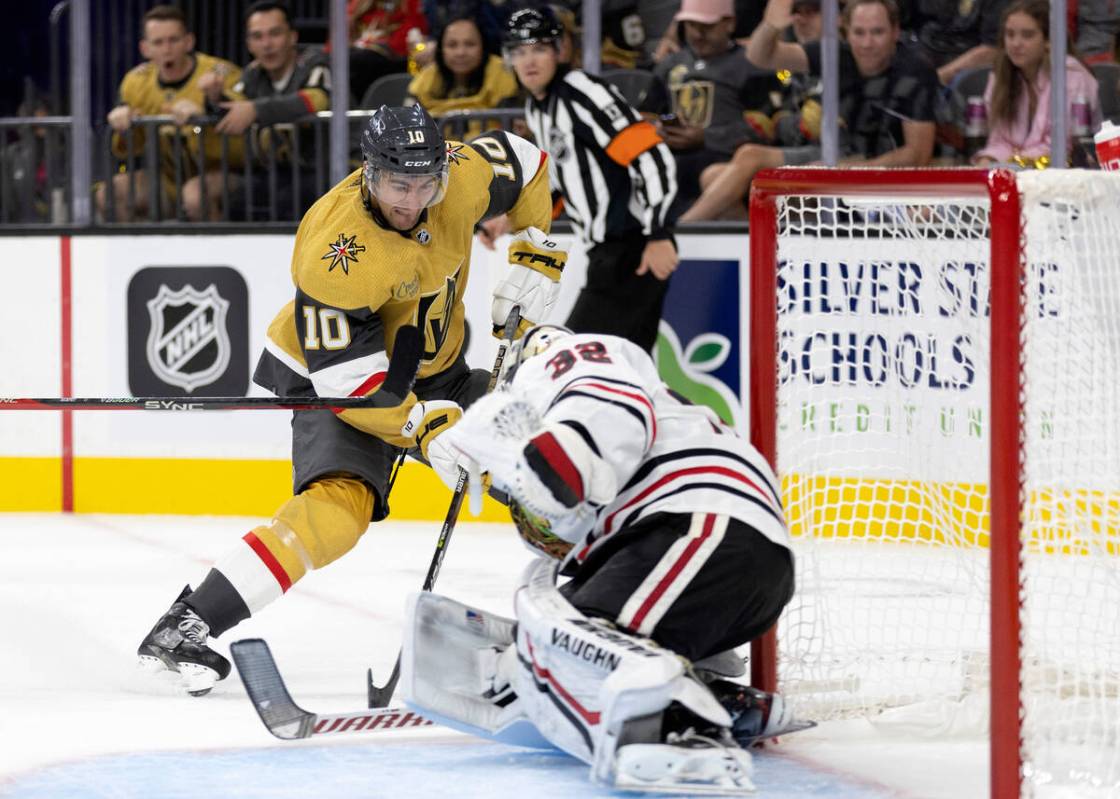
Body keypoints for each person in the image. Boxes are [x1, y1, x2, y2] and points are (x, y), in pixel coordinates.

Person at [137, 104, 564, 696]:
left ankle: (594, 618)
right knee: (339, 510)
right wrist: (426, 431)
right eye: (397, 184)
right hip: (336, 377)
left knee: (545, 457)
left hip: (436, 366)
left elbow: (527, 161)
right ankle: (186, 625)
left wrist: (536, 253)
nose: (413, 200)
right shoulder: (335, 250)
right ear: (369, 173)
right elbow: (350, 385)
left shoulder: (459, 177)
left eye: (425, 183)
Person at [400, 325, 800, 794]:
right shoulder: (618, 444)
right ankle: (704, 699)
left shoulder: (566, 358)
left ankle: (686, 734)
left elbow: (595, 424)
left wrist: (544, 453)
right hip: (711, 546)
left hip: (701, 525)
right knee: (563, 634)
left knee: (566, 647)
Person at [481, 6, 679, 355]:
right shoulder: (537, 108)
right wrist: (509, 218)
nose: (529, 61)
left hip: (632, 250)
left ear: (561, 50)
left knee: (574, 360)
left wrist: (659, 233)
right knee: (627, 369)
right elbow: (557, 183)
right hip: (607, 255)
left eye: (539, 48)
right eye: (519, 51)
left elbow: (651, 155)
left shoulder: (582, 92)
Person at [678, 0, 939, 222]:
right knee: (715, 175)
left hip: (883, 174)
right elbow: (760, 57)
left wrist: (846, 170)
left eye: (877, 32)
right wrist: (770, 26)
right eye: (859, 33)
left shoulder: (915, 71)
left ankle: (682, 232)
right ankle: (750, 252)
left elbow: (916, 155)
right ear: (846, 31)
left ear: (895, 32)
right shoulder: (835, 54)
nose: (867, 43)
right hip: (834, 156)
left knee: (773, 176)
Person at [182, 0, 332, 222]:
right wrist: (215, 98)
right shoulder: (253, 74)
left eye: (274, 34)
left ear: (293, 36)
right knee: (237, 201)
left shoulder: (316, 62)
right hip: (278, 172)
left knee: (287, 199)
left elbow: (317, 99)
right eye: (258, 37)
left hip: (328, 168)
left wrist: (256, 109)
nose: (266, 44)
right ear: (249, 44)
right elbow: (237, 106)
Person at [96, 5, 243, 222]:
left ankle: (210, 255)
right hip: (167, 179)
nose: (167, 49)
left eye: (174, 40)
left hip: (222, 174)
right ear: (145, 48)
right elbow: (127, 151)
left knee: (194, 195)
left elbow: (243, 124)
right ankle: (140, 254)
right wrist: (124, 126)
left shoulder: (220, 74)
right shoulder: (135, 82)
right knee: (109, 194)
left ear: (189, 42)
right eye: (158, 42)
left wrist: (210, 106)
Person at [650, 0, 781, 218]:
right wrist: (658, 131)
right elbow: (645, 114)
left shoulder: (753, 65)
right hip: (672, 166)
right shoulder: (669, 65)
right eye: (692, 25)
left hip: (727, 166)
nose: (698, 34)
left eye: (707, 27)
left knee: (716, 180)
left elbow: (764, 131)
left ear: (729, 23)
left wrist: (706, 137)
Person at [973, 0, 1101, 167]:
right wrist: (989, 159)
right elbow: (999, 141)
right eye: (1010, 34)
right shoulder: (1000, 75)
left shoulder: (1072, 76)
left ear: (1049, 40)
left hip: (1069, 171)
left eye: (1027, 35)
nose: (1016, 43)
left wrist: (1013, 163)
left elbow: (1063, 147)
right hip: (1019, 169)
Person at [407, 15, 519, 139]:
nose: (460, 52)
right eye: (452, 45)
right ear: (441, 49)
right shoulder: (426, 77)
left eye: (470, 44)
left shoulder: (500, 71)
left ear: (483, 46)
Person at [907, 0, 1012, 86]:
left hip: (966, 68)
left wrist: (938, 77)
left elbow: (993, 49)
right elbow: (898, 18)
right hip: (922, 50)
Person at [345, 0, 428, 103]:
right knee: (334, 60)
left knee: (358, 60)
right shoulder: (360, 3)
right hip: (359, 55)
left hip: (393, 59)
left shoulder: (409, 3)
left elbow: (408, 35)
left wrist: (376, 46)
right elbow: (339, 37)